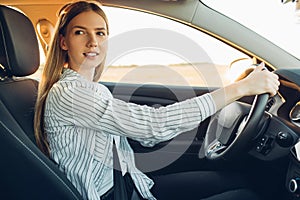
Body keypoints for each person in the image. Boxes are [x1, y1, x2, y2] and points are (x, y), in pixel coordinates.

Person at [34, 1, 280, 200]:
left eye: (100, 33)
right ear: (64, 42)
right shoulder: (69, 93)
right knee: (244, 195)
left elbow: (147, 134)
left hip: (132, 185)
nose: (93, 42)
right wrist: (241, 88)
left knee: (238, 182)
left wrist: (161, 124)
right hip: (109, 194)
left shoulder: (92, 89)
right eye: (80, 32)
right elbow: (154, 125)